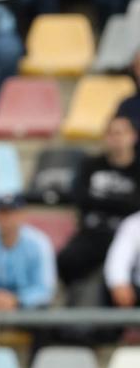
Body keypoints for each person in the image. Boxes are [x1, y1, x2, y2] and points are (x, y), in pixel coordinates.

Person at [57, 114, 140, 298]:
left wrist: (100, 202)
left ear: (133, 136)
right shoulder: (90, 165)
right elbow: (79, 198)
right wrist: (121, 203)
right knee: (66, 259)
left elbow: (135, 206)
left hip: (130, 234)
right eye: (111, 133)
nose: (116, 138)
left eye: (121, 133)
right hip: (93, 232)